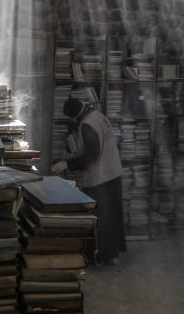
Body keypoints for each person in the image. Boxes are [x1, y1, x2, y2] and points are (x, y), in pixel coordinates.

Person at [62, 97, 126, 264]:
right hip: (113, 173)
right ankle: (112, 255)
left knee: (99, 218)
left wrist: (69, 163)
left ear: (75, 116)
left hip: (100, 179)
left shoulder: (86, 125)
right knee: (111, 216)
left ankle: (98, 255)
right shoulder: (98, 115)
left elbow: (91, 156)